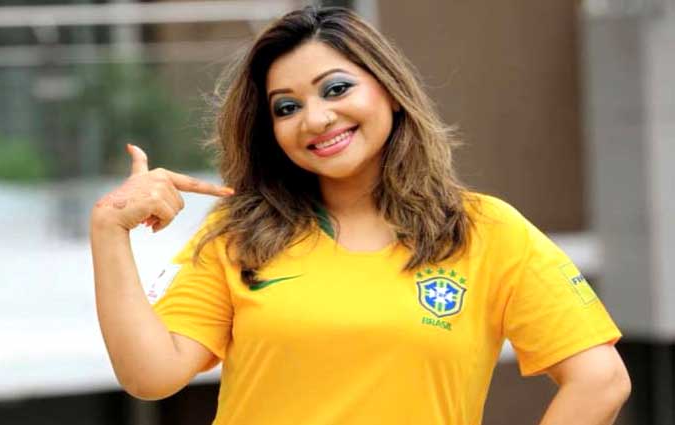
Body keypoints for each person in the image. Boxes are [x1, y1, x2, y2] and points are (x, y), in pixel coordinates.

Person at [90, 6, 630, 425]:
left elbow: (601, 380)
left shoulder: (484, 230)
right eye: (286, 107)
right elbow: (150, 376)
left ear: (390, 92)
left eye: (336, 89)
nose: (316, 118)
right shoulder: (239, 235)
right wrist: (109, 228)